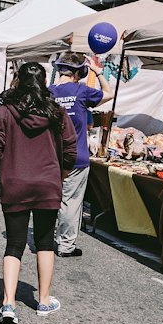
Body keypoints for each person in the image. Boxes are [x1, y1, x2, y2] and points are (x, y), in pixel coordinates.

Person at [0, 61, 76, 324]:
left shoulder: (4, 111)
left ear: (18, 80)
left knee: (14, 244)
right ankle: (44, 301)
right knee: (45, 243)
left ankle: (8, 305)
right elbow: (72, 149)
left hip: (14, 182)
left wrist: (9, 166)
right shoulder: (57, 112)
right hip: (48, 181)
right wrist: (60, 173)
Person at [49, 53, 111, 259]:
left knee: (55, 199)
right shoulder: (82, 91)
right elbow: (108, 94)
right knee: (71, 201)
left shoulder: (49, 93)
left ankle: (53, 238)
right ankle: (65, 245)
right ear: (78, 73)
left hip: (52, 157)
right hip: (77, 156)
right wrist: (98, 72)